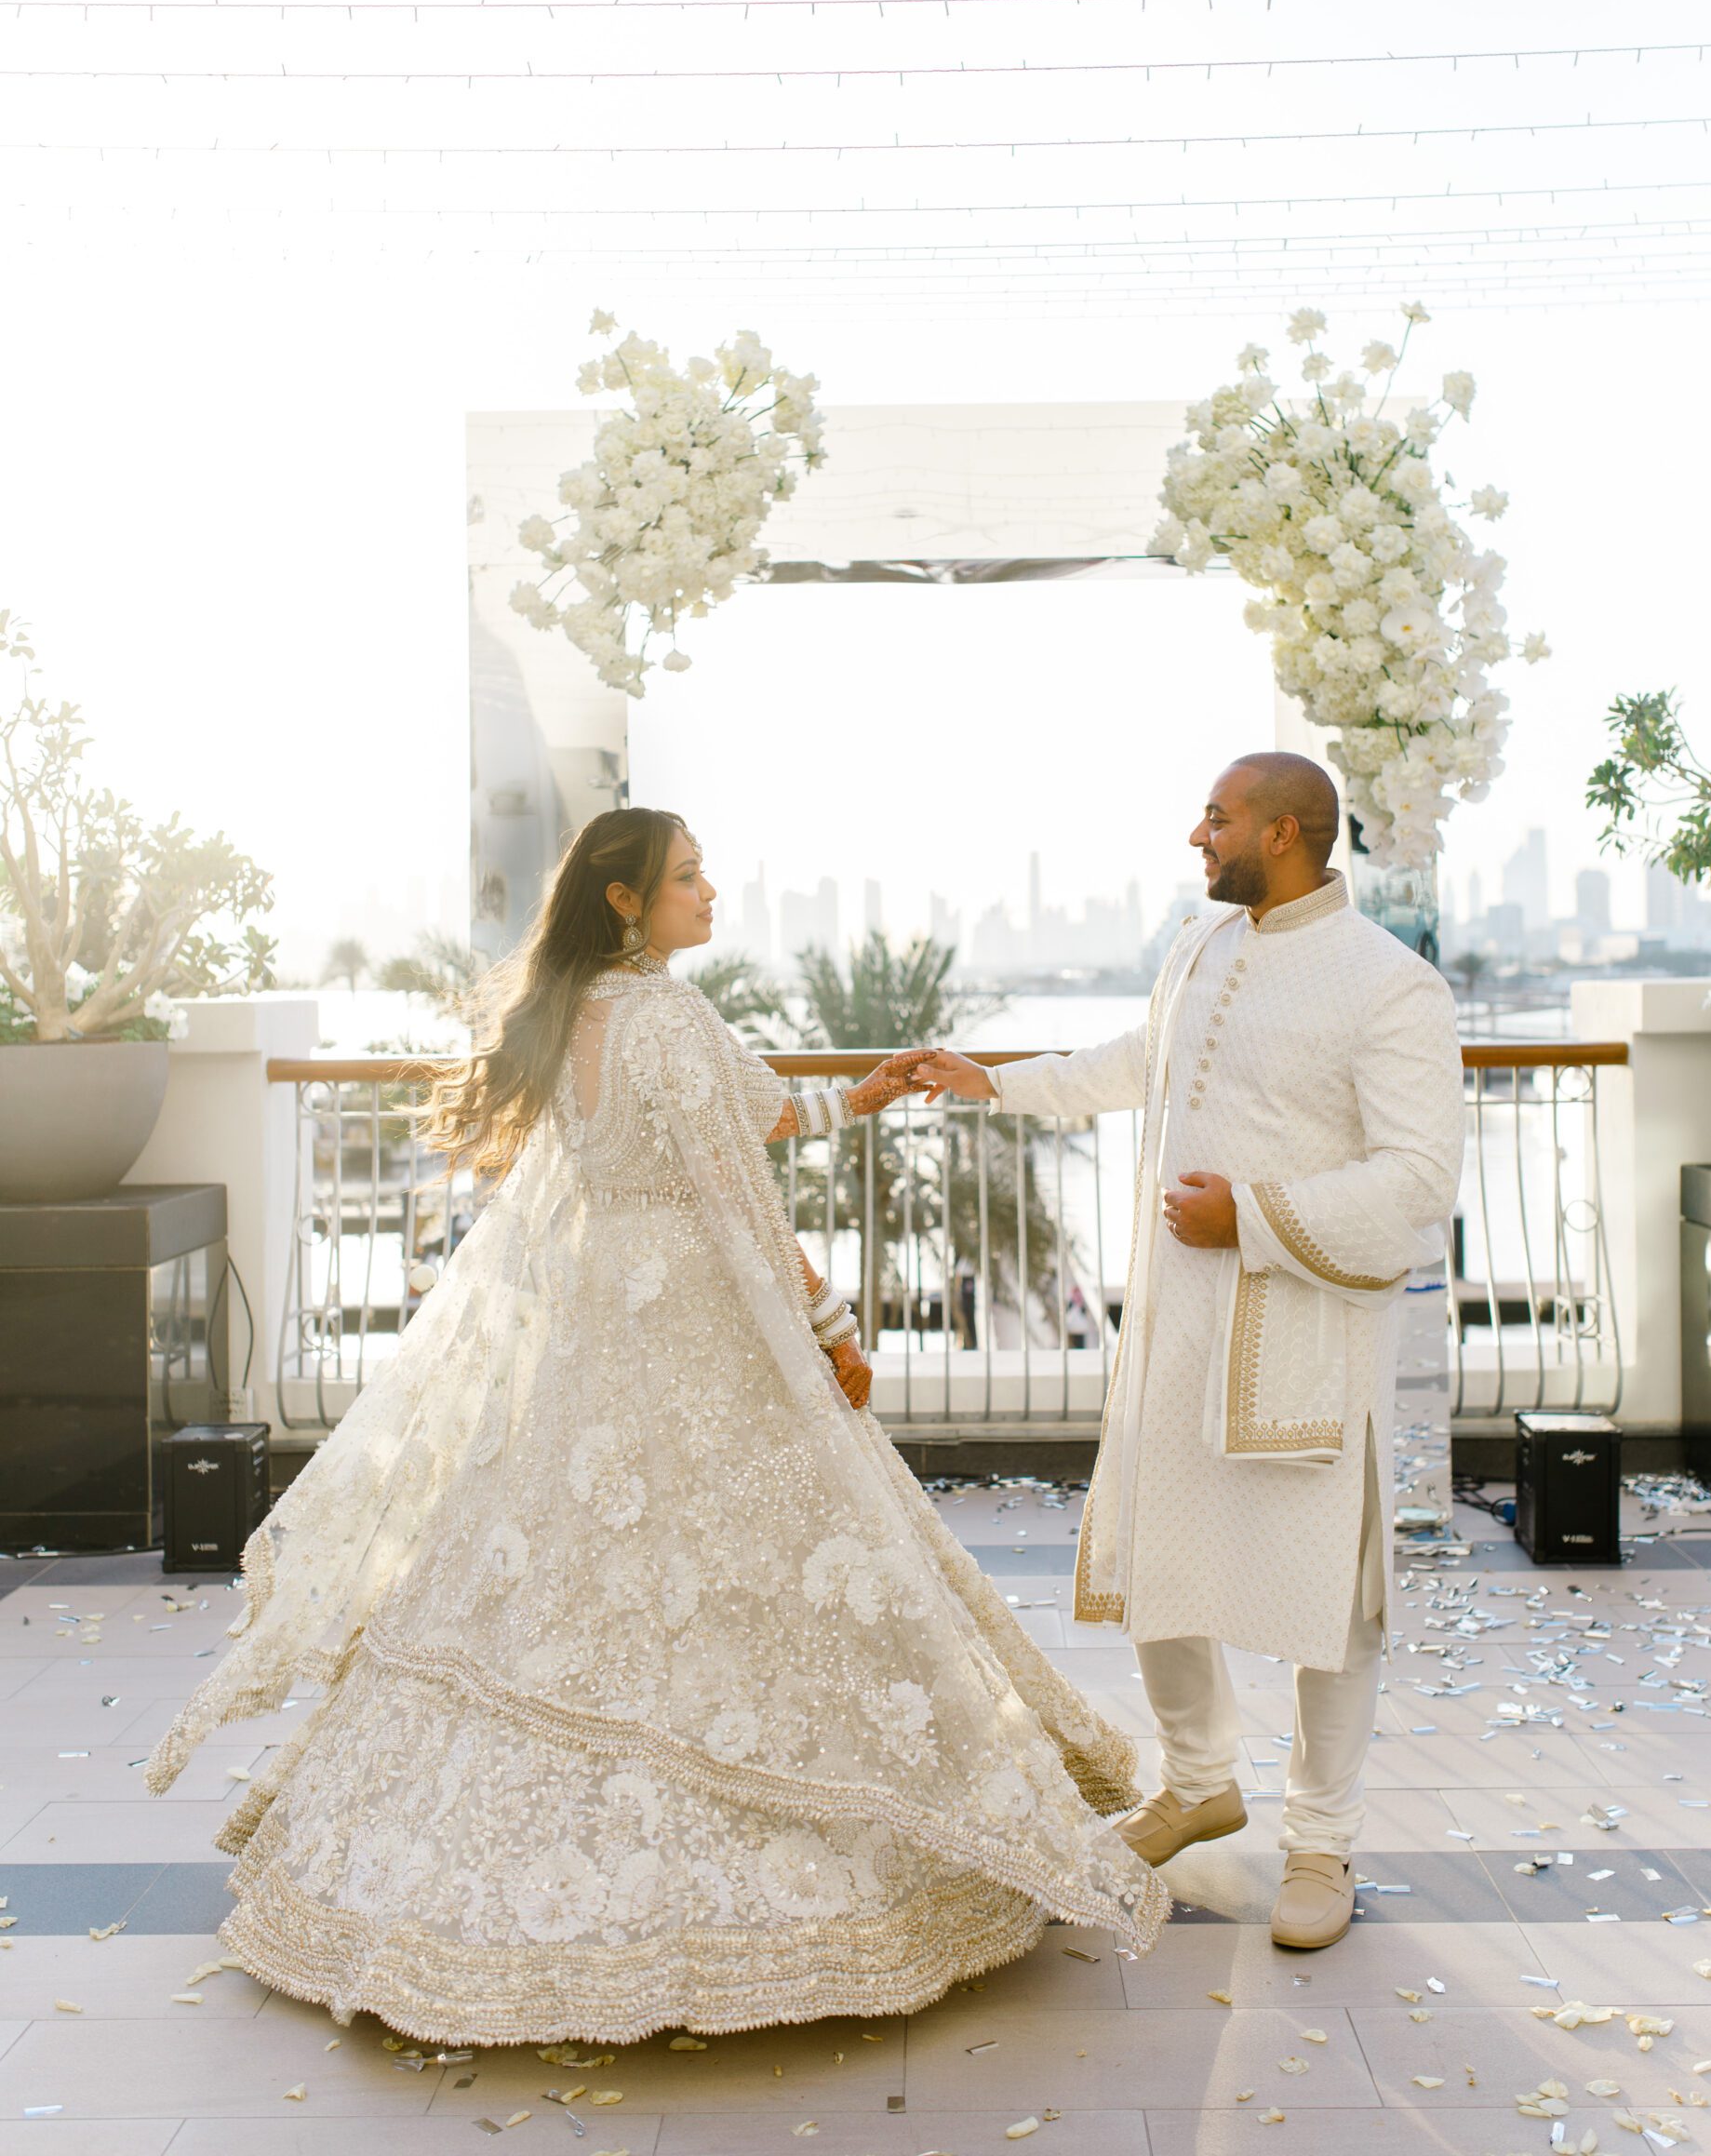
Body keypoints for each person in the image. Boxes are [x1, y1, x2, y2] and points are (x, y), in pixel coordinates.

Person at [145, 808, 1165, 2042]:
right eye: (687, 877)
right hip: (691, 1306)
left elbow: (746, 1119)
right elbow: (735, 1188)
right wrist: (829, 1321)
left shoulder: (572, 1004)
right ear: (626, 900)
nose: (710, 891)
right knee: (751, 1549)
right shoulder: (668, 1015)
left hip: (596, 1309)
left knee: (567, 1563)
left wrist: (862, 1096)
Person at [916, 757, 1464, 1951]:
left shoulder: (1390, 984)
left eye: (1217, 817)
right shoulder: (1202, 941)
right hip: (1178, 1326)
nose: (1195, 834)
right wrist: (993, 1082)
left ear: (1284, 832)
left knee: (1331, 1603)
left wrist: (1252, 1217)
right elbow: (1139, 1059)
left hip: (1304, 1335)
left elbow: (1421, 1183)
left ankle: (1321, 1842)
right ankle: (1199, 1782)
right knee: (1159, 1550)